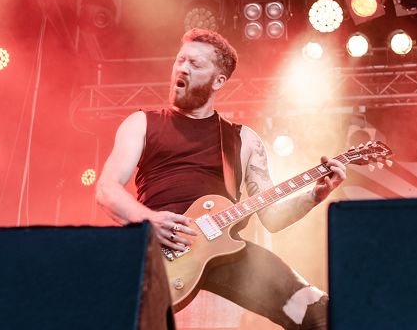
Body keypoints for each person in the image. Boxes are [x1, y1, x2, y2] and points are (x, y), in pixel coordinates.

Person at [96, 28, 347, 329]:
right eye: (180, 60)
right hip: (160, 248)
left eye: (195, 64)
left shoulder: (244, 140)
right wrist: (149, 221)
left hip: (224, 249)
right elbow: (107, 189)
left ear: (218, 81)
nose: (183, 68)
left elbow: (272, 217)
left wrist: (314, 195)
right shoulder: (142, 123)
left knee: (318, 311)